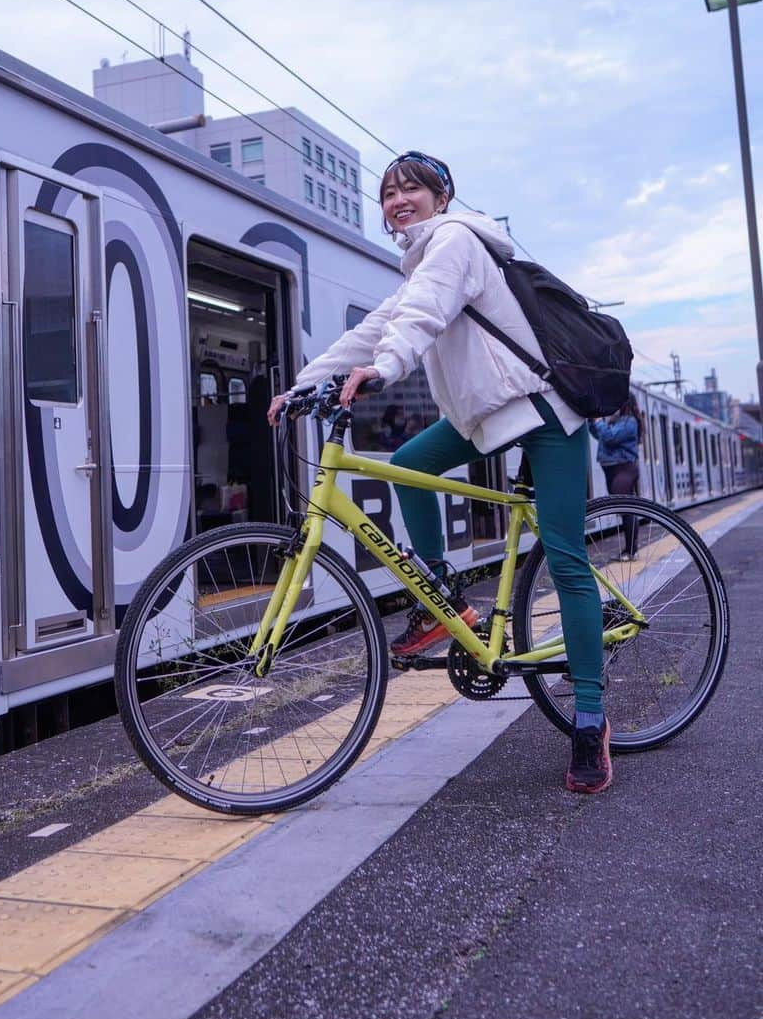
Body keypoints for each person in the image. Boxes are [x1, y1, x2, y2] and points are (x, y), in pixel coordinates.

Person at [267, 151, 612, 795]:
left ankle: (589, 720)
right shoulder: (423, 259)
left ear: (441, 197)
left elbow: (419, 316)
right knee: (408, 466)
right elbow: (378, 328)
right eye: (389, 193)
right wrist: (302, 385)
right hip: (483, 415)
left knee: (565, 559)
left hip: (541, 410)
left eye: (411, 190)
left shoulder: (454, 241)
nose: (398, 201)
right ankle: (441, 600)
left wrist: (388, 367)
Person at [589, 399, 643, 558]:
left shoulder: (630, 422)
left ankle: (631, 550)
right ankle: (630, 549)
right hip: (612, 469)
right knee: (623, 509)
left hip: (624, 468)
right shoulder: (615, 421)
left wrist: (598, 422)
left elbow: (610, 437)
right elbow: (600, 435)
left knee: (625, 508)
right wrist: (592, 424)